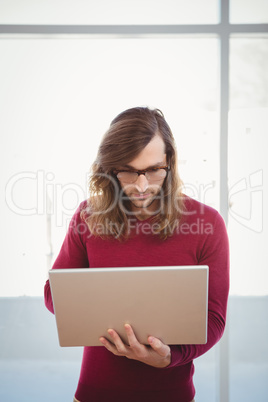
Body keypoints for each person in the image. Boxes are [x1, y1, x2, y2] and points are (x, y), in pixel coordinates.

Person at [44, 106, 229, 402]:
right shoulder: (88, 216)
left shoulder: (207, 223)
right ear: (110, 168)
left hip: (172, 394)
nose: (142, 186)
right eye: (129, 171)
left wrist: (169, 357)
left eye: (154, 170)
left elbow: (214, 319)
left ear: (169, 162)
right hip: (94, 393)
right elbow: (54, 296)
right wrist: (102, 306)